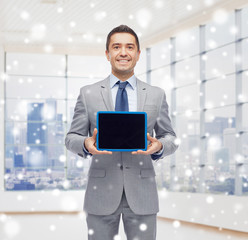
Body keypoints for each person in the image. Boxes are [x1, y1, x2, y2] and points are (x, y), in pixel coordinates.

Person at [65, 25, 178, 240]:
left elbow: (170, 136)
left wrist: (160, 146)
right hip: (101, 193)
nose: (123, 52)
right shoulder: (88, 94)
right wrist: (86, 144)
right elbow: (71, 138)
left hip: (142, 193)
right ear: (108, 54)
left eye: (129, 47)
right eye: (116, 47)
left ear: (138, 54)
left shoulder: (156, 94)